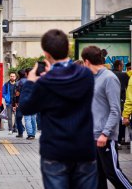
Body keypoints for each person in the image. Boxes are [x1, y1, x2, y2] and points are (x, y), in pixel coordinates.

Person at [19, 29, 97, 189]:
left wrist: (30, 82)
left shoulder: (44, 83)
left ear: (46, 54)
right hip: (84, 149)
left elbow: (26, 107)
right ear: (68, 48)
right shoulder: (86, 76)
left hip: (56, 151)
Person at [82, 46, 132, 189]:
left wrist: (105, 133)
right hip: (93, 135)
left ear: (86, 61)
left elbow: (115, 110)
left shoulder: (109, 78)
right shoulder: (92, 78)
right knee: (98, 175)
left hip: (105, 136)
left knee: (113, 173)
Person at [112, 60, 130, 147]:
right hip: (121, 100)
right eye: (122, 66)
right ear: (119, 66)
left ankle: (114, 140)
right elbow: (128, 87)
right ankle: (119, 140)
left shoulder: (110, 74)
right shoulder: (124, 75)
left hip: (111, 99)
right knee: (121, 120)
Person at [13, 69, 26, 138]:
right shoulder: (30, 81)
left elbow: (17, 94)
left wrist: (16, 103)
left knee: (18, 118)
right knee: (30, 118)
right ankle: (31, 134)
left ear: (18, 75)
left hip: (20, 102)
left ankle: (20, 133)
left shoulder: (18, 83)